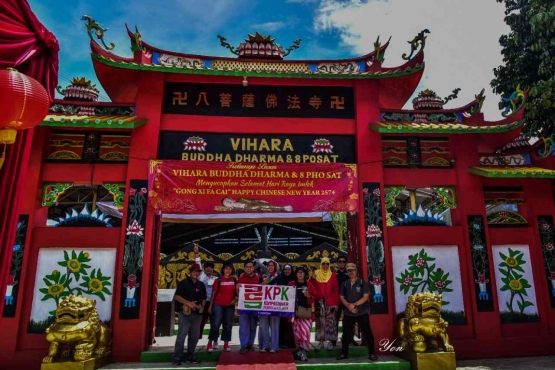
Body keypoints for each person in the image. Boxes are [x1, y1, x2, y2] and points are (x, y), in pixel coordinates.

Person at [337, 263, 378, 362]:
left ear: (356, 271)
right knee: (346, 334)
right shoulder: (345, 284)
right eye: (349, 270)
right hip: (348, 313)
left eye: (353, 270)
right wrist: (348, 306)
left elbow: (366, 296)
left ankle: (372, 353)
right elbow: (341, 297)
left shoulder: (362, 283)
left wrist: (354, 304)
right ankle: (344, 353)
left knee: (367, 333)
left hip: (362, 312)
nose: (351, 272)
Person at [172, 263, 206, 366]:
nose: (196, 273)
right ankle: (177, 357)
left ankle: (190, 356)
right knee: (181, 335)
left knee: (194, 336)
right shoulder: (183, 283)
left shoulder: (201, 285)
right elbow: (177, 296)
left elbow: (204, 298)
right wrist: (188, 303)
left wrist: (202, 307)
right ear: (190, 272)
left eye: (197, 272)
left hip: (197, 314)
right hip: (185, 313)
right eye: (194, 271)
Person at [288, 267, 317, 362]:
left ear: (305, 274)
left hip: (306, 312)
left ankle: (304, 351)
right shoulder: (292, 284)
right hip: (295, 313)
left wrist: (309, 296)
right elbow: (286, 297)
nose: (300, 274)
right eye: (298, 272)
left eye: (302, 273)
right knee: (297, 334)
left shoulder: (309, 284)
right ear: (296, 274)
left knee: (305, 332)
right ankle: (299, 350)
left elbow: (315, 296)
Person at [310, 257, 340, 350]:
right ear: (321, 264)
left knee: (331, 322)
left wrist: (336, 303)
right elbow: (311, 287)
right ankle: (320, 342)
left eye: (327, 263)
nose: (325, 265)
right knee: (320, 322)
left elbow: (336, 290)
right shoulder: (316, 274)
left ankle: (330, 342)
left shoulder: (333, 275)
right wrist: (313, 279)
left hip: (330, 302)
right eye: (323, 263)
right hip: (319, 302)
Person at [193, 244, 219, 349]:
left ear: (213, 269)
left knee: (215, 323)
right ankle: (195, 341)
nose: (209, 269)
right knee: (200, 322)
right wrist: (196, 253)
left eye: (210, 268)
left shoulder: (217, 279)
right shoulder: (201, 276)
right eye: (207, 267)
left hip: (213, 303)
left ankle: (215, 341)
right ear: (204, 269)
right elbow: (198, 264)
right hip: (202, 303)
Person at [207, 262, 237, 353]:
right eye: (226, 269)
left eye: (230, 269)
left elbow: (238, 292)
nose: (228, 271)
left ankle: (226, 343)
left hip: (229, 306)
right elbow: (213, 294)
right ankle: (210, 342)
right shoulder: (218, 280)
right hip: (218, 304)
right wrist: (211, 306)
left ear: (232, 270)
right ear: (223, 270)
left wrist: (235, 300)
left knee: (228, 325)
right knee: (215, 324)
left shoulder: (234, 280)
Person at [237, 260, 260, 354]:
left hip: (255, 305)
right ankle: (243, 345)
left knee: (253, 326)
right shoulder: (241, 277)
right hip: (244, 305)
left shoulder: (258, 277)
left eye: (251, 267)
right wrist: (237, 288)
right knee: (243, 326)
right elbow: (237, 291)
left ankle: (250, 344)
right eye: (247, 267)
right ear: (244, 268)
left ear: (253, 268)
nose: (249, 268)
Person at [258, 260, 280, 353]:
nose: (270, 267)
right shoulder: (263, 277)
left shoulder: (279, 277)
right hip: (264, 305)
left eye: (272, 265)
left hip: (275, 306)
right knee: (263, 325)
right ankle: (265, 345)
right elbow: (259, 288)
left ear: (275, 267)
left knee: (275, 326)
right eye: (269, 265)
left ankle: (274, 347)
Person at [335, 256, 358, 346]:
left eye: (343, 262)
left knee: (349, 319)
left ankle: (350, 338)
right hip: (337, 300)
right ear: (337, 263)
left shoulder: (350, 273)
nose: (342, 263)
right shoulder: (334, 274)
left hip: (348, 300)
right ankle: (334, 339)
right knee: (335, 319)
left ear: (346, 263)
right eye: (340, 262)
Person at [279, 264, 296, 349]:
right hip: (281, 306)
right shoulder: (280, 278)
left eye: (289, 269)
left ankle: (291, 343)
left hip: (291, 306)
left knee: (290, 324)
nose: (287, 271)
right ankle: (281, 342)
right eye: (285, 269)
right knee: (282, 324)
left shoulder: (294, 279)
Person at [221, 197, 293, 212]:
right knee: (263, 207)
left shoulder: (241, 199)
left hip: (255, 205)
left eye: (228, 200)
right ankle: (283, 208)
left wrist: (260, 200)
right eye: (226, 203)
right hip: (252, 210)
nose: (228, 202)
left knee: (264, 205)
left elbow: (251, 200)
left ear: (231, 199)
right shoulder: (234, 210)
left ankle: (284, 207)